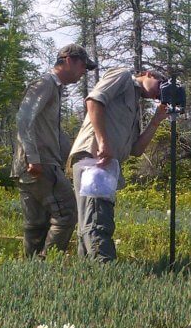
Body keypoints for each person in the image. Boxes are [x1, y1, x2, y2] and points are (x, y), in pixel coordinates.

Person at [69, 66, 170, 262]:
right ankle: (106, 271)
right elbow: (93, 101)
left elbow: (136, 150)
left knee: (89, 221)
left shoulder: (134, 102)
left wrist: (156, 120)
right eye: (160, 85)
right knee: (98, 219)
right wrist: (103, 142)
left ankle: (88, 275)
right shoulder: (123, 77)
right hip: (95, 160)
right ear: (148, 74)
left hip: (106, 164)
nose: (160, 92)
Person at [12, 44, 96, 258]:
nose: (83, 73)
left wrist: (75, 158)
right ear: (69, 60)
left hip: (33, 164)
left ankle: (32, 272)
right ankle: (47, 263)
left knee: (36, 223)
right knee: (68, 213)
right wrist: (33, 158)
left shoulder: (53, 87)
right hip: (39, 164)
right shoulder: (45, 83)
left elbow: (51, 131)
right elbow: (23, 119)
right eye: (83, 66)